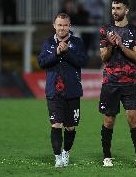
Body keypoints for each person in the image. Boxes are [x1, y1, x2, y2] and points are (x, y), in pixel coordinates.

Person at [98, 0, 136, 168]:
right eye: (113, 8)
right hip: (110, 82)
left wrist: (120, 45)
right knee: (109, 120)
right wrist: (111, 45)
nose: (114, 11)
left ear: (126, 10)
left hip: (130, 83)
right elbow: (104, 57)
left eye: (118, 8)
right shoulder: (105, 30)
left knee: (134, 118)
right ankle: (107, 157)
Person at [38, 13, 87, 167]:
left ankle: (66, 152)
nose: (62, 28)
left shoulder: (77, 43)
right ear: (54, 26)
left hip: (72, 91)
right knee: (56, 124)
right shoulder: (48, 43)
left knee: (70, 127)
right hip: (54, 91)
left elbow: (82, 61)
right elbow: (42, 62)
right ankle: (58, 156)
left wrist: (66, 52)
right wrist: (57, 52)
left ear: (69, 26)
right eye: (59, 25)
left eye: (65, 25)